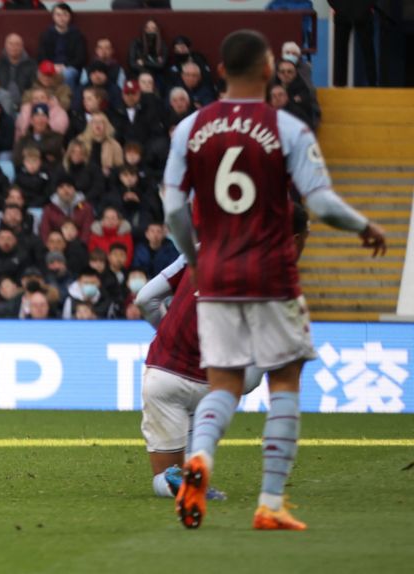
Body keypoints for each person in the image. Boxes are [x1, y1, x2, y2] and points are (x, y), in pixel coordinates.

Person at [163, 29, 386, 531]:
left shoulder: (189, 128)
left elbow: (174, 208)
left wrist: (193, 257)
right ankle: (269, 501)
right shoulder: (287, 128)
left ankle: (197, 462)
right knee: (283, 381)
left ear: (219, 71)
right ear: (268, 71)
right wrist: (363, 224)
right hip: (271, 272)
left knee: (222, 384)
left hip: (216, 274)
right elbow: (321, 203)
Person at [136, 203, 310, 502]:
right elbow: (253, 378)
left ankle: (176, 481)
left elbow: (145, 299)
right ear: (294, 239)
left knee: (163, 477)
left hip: (163, 374)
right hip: (212, 385)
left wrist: (169, 332)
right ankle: (192, 477)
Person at [37, 3, 86, 89]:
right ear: (53, 17)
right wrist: (52, 66)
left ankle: (66, 99)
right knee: (40, 73)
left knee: (67, 74)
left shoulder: (77, 35)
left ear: (69, 17)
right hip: (50, 66)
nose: (61, 18)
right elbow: (41, 56)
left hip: (69, 67)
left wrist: (65, 66)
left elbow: (80, 57)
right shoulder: (46, 35)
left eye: (65, 15)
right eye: (58, 15)